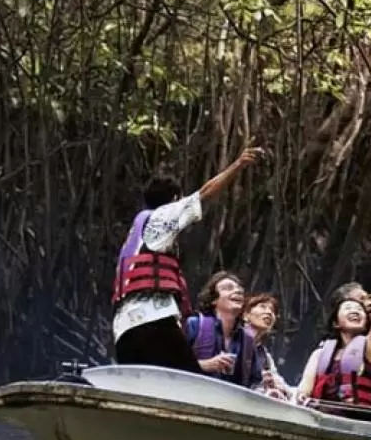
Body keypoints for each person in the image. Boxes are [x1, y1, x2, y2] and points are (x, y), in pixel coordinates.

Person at [111, 148, 264, 371]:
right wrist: (238, 165)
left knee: (149, 378)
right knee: (186, 375)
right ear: (174, 199)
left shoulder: (134, 237)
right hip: (153, 320)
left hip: (123, 329)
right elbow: (204, 194)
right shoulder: (161, 217)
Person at [296, 233, 371, 419]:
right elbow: (305, 387)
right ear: (335, 322)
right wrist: (302, 397)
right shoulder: (320, 354)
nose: (355, 310)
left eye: (359, 309)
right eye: (348, 307)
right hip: (323, 417)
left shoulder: (370, 348)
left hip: (357, 420)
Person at [185, 272, 262, 388]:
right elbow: (168, 365)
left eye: (239, 289)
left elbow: (255, 382)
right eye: (228, 288)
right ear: (213, 300)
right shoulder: (194, 325)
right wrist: (202, 365)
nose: (238, 291)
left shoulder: (247, 340)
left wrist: (267, 390)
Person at [242, 293, 291, 398]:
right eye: (262, 307)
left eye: (273, 311)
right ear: (246, 315)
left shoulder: (264, 355)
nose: (269, 312)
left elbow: (279, 381)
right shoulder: (233, 341)